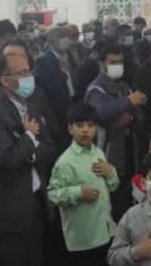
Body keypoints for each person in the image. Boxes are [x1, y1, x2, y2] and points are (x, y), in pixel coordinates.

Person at [0, 46, 57, 266]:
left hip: (36, 202)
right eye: (21, 73)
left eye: (29, 71)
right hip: (9, 210)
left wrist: (28, 154)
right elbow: (6, 158)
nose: (28, 77)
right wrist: (28, 137)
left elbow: (49, 147)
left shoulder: (31, 106)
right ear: (5, 80)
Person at [48, 103, 120, 266]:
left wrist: (110, 172)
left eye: (90, 125)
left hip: (106, 231)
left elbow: (113, 186)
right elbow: (52, 195)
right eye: (80, 125)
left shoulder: (99, 152)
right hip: (84, 239)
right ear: (70, 129)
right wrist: (78, 192)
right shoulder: (65, 162)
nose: (85, 130)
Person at [85, 40, 148, 219]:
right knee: (113, 203)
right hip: (109, 153)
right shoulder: (96, 89)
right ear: (102, 64)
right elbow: (103, 111)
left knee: (128, 200)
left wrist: (129, 117)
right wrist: (128, 102)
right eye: (113, 62)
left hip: (130, 150)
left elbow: (139, 113)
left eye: (120, 62)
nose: (117, 66)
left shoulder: (123, 86)